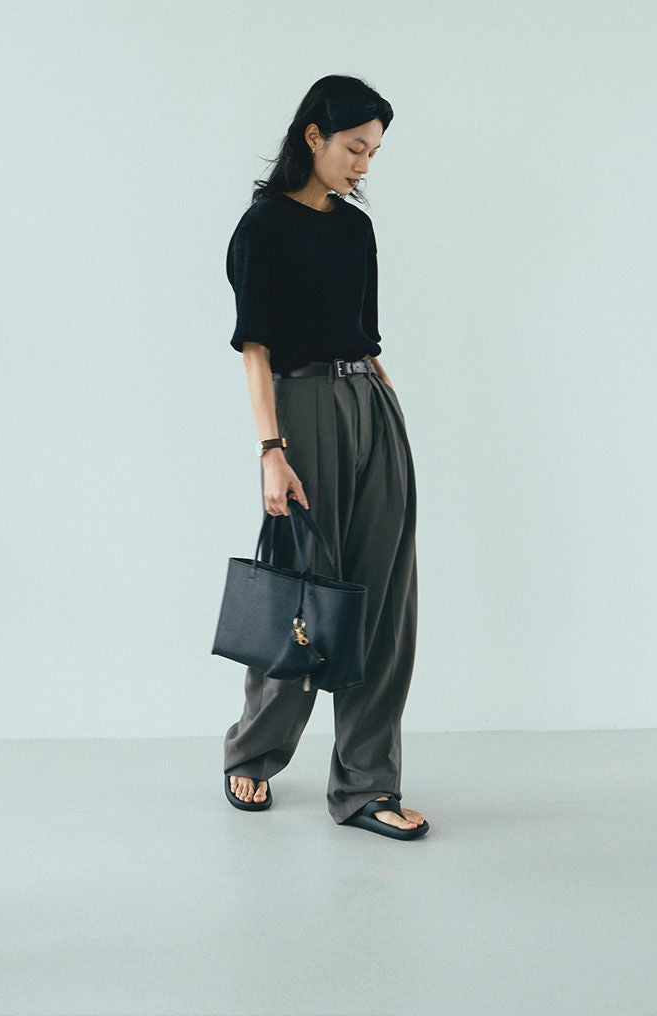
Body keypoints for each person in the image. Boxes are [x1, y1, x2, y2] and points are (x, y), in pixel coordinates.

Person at [221, 75, 429, 841]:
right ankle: (254, 749)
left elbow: (365, 338)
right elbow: (255, 349)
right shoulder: (263, 228)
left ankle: (368, 785)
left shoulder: (355, 230)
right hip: (302, 409)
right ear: (314, 136)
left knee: (383, 604)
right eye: (354, 147)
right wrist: (271, 451)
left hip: (370, 407)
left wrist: (387, 416)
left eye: (373, 152)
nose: (364, 165)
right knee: (302, 594)